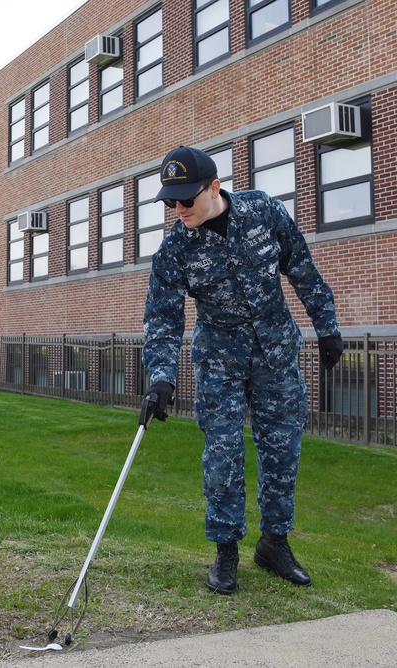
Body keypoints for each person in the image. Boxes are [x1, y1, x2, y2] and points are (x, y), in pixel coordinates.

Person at [141, 146, 343, 596]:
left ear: (214, 188)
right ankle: (226, 551)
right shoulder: (175, 250)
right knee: (223, 456)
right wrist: (161, 377)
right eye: (170, 202)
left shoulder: (264, 211)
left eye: (186, 200)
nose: (178, 211)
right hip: (220, 362)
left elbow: (302, 268)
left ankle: (274, 544)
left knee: (282, 451)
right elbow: (163, 319)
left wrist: (326, 326)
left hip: (276, 353)